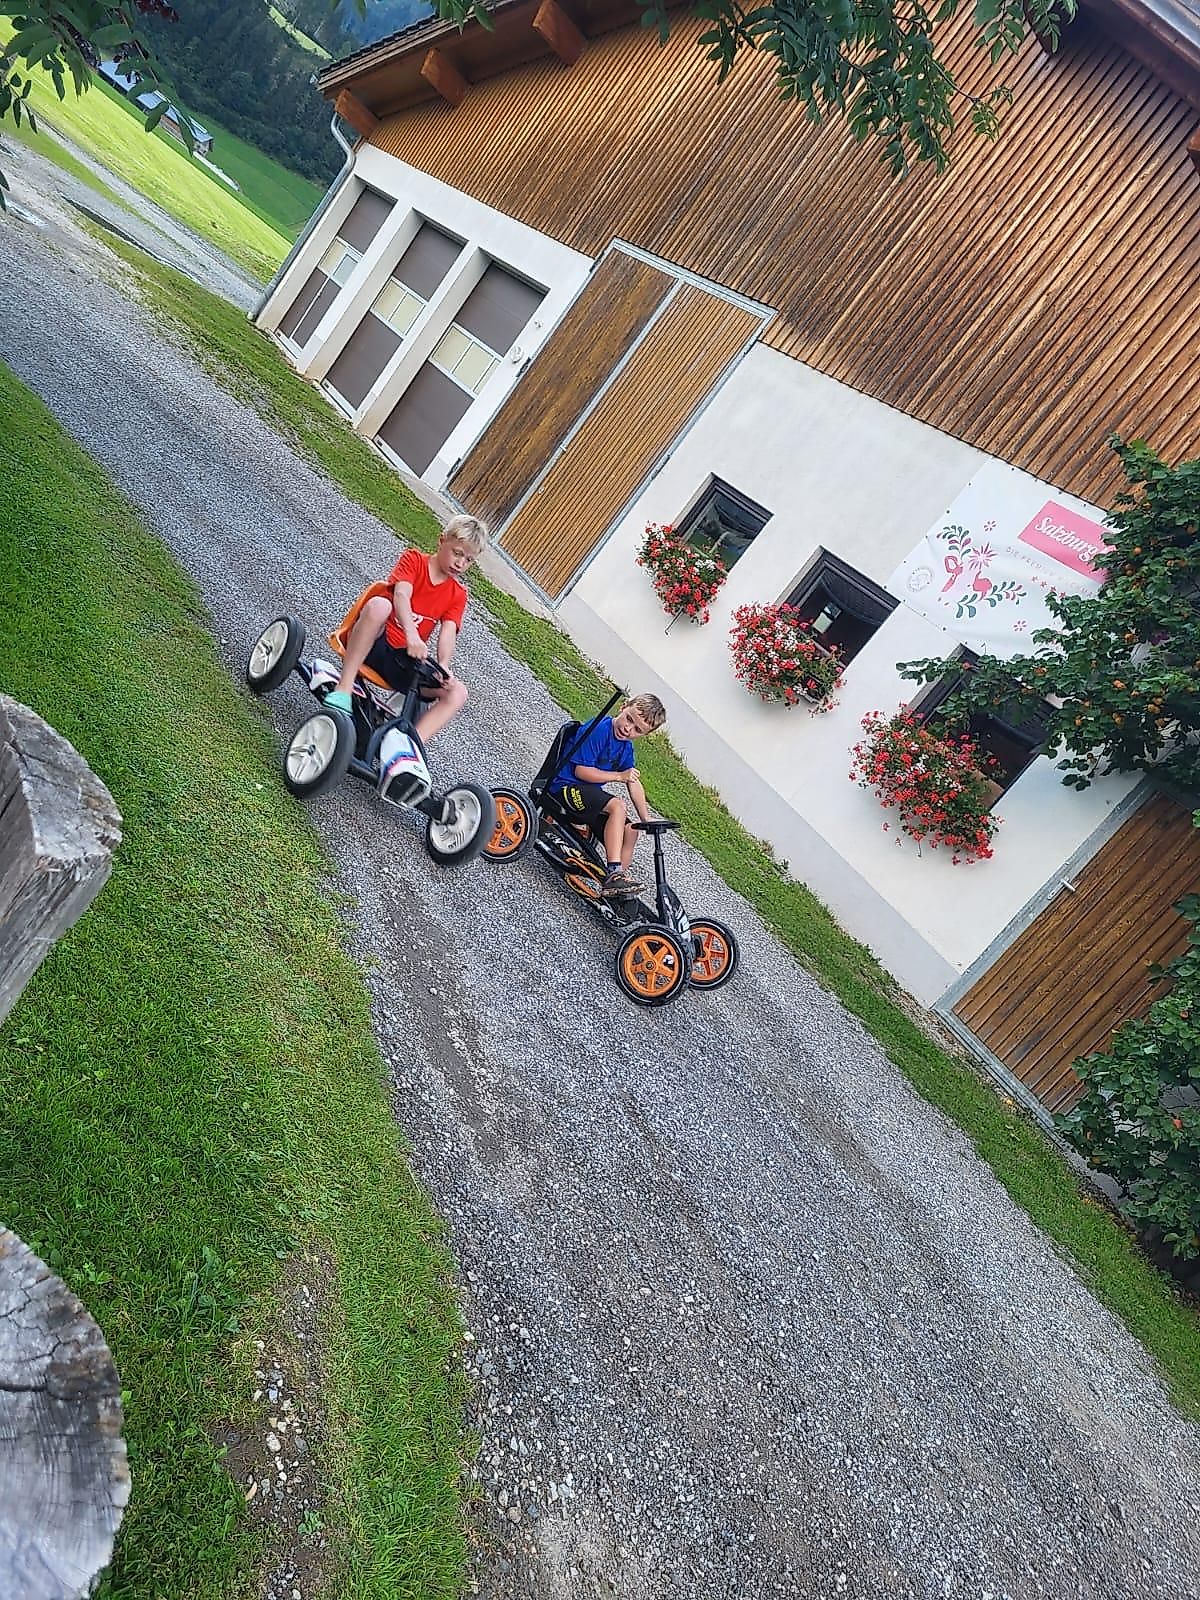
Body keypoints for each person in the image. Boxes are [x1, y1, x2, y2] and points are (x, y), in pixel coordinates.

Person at [324, 515, 488, 741]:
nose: (460, 564)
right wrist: (412, 635)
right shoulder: (414, 560)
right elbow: (401, 595)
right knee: (380, 605)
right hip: (374, 644)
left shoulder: (457, 594)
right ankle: (344, 687)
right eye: (457, 553)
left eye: (469, 560)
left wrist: (443, 665)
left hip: (402, 662)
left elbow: (448, 631)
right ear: (442, 541)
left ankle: (408, 745)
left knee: (458, 692)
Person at [548, 695, 667, 898]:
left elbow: (633, 780)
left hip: (587, 796)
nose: (628, 729)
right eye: (629, 719)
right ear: (623, 707)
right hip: (565, 788)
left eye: (637, 730)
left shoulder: (625, 747)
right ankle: (614, 872)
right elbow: (581, 771)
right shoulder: (600, 729)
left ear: (644, 734)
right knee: (617, 806)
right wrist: (619, 776)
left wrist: (645, 818)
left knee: (631, 830)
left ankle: (618, 886)